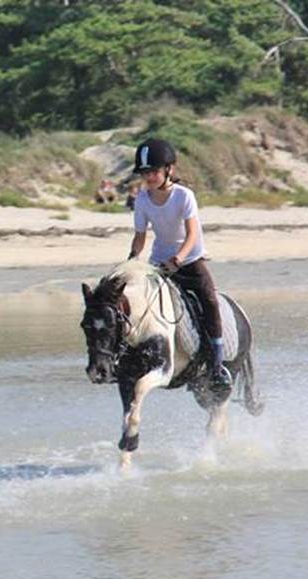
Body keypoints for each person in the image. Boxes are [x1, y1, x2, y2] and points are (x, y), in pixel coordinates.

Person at [126, 138, 232, 390]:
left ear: (168, 170)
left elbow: (193, 233)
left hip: (191, 260)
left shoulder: (184, 196)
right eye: (144, 173)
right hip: (159, 263)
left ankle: (217, 365)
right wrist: (131, 260)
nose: (149, 177)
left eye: (153, 171)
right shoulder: (142, 200)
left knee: (209, 300)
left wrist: (180, 257)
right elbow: (140, 237)